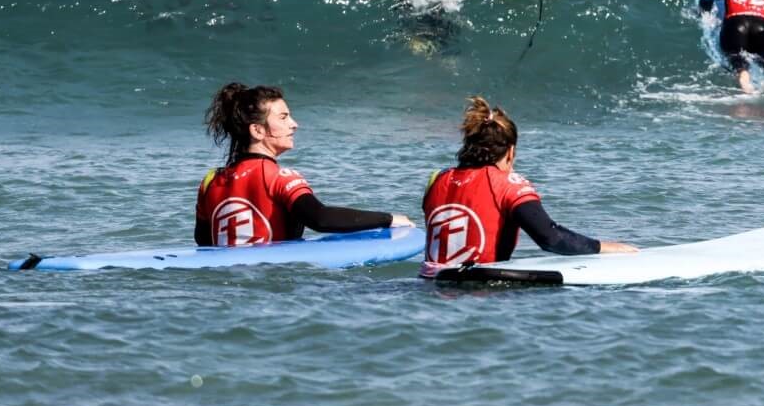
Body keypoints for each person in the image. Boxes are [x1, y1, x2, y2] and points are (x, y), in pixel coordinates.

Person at [421, 97, 636, 274]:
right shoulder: (508, 184)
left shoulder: (438, 179)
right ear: (511, 151)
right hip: (480, 293)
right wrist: (601, 247)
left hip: (430, 287)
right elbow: (550, 238)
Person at [196, 82, 412, 247]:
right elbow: (320, 218)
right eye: (283, 117)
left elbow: (203, 241)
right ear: (258, 130)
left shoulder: (210, 181)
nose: (294, 124)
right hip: (269, 285)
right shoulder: (278, 176)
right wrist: (388, 219)